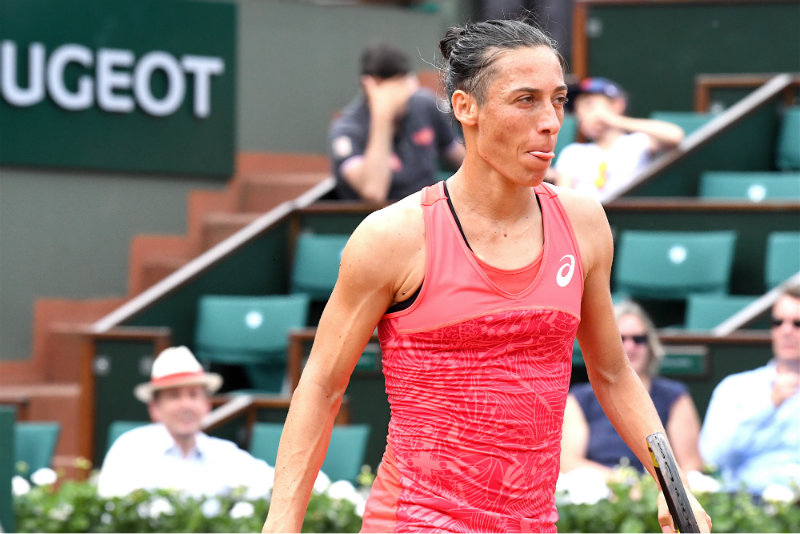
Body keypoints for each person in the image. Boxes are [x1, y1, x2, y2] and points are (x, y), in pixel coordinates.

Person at [263, 19, 710, 533]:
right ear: (465, 107)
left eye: (557, 100)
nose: (550, 122)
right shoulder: (392, 237)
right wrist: (281, 525)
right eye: (526, 100)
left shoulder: (585, 223)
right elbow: (322, 385)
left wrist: (671, 485)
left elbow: (612, 374)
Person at [97, 346, 275, 498]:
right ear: (154, 408)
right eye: (174, 396)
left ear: (207, 405)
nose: (186, 405)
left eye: (193, 395)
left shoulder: (222, 453)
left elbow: (273, 484)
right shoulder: (130, 450)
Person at [561, 300, 704, 476]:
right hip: (598, 485)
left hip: (659, 485)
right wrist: (622, 482)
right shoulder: (580, 398)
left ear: (650, 344)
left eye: (639, 339)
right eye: (621, 339)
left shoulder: (675, 396)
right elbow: (569, 462)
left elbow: (691, 465)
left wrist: (650, 487)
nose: (630, 347)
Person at [328, 41, 465, 203]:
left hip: (428, 208)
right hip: (379, 214)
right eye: (395, 88)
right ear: (370, 86)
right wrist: (383, 116)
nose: (402, 95)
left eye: (405, 84)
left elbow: (461, 159)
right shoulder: (347, 129)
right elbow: (374, 192)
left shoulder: (423, 104)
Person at [699, 283, 800, 495]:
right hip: (746, 503)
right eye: (778, 322)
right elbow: (712, 457)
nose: (786, 331)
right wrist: (768, 405)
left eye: (797, 323)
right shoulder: (735, 387)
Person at [549, 77, 684, 200]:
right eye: (578, 110)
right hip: (586, 216)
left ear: (617, 105)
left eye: (589, 105)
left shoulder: (637, 142)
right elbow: (563, 200)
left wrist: (612, 119)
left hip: (627, 213)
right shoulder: (573, 153)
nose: (583, 114)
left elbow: (675, 136)